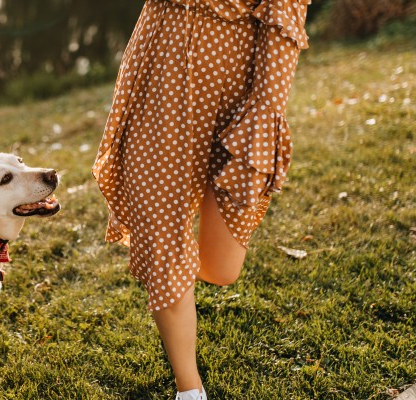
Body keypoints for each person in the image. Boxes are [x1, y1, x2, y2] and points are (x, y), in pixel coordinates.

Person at [92, 0, 310, 399]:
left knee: (221, 267)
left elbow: (285, 13)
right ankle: (189, 388)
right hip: (161, 64)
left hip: (238, 76)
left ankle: (174, 262)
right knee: (161, 231)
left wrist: (266, 107)